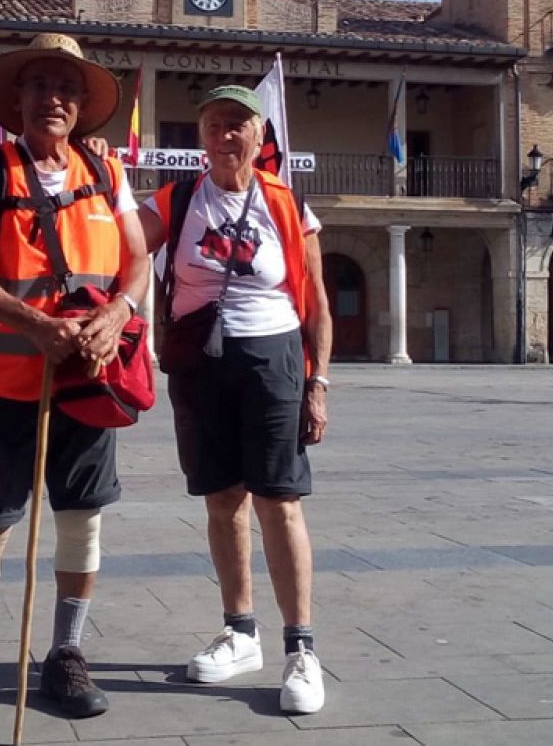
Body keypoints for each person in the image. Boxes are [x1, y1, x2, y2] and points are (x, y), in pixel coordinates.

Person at [0, 33, 150, 729]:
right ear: (17, 100)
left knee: (81, 522)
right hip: (2, 376)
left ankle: (65, 652)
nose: (53, 98)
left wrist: (118, 313)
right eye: (39, 86)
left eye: (67, 88)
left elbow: (138, 263)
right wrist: (34, 324)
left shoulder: (109, 173)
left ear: (83, 104)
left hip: (87, 378)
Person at [137, 85, 333, 714]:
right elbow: (118, 237)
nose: (225, 136)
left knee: (279, 501)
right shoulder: (178, 198)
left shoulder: (286, 202)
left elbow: (319, 304)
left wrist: (319, 383)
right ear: (201, 136)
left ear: (258, 136)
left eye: (237, 125)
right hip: (199, 361)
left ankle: (301, 649)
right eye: (214, 125)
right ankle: (240, 631)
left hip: (271, 357)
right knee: (222, 498)